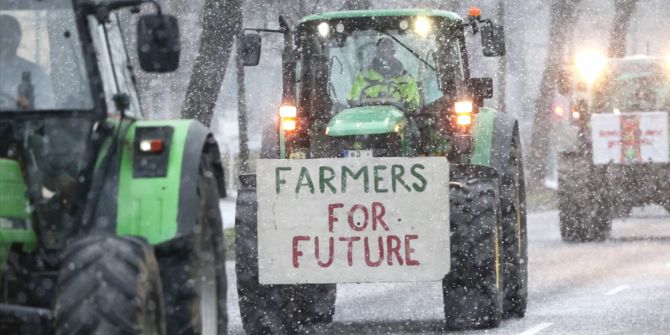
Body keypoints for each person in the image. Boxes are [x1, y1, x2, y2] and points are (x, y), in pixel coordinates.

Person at [347, 37, 420, 111]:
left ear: (393, 52)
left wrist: (401, 104)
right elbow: (353, 99)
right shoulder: (364, 76)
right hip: (367, 117)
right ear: (376, 52)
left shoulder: (406, 79)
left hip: (397, 118)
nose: (383, 54)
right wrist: (366, 100)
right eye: (380, 51)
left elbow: (413, 104)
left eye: (386, 51)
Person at [0, 14, 53, 110]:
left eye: (8, 36)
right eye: (1, 36)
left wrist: (24, 108)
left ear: (18, 38)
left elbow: (46, 107)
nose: (4, 41)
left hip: (22, 124)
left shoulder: (34, 73)